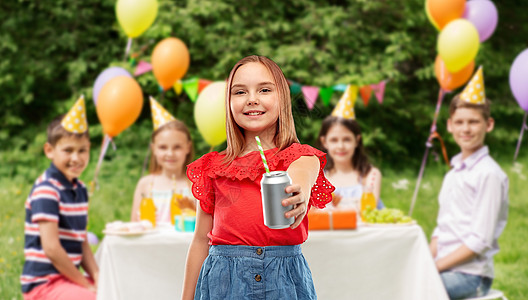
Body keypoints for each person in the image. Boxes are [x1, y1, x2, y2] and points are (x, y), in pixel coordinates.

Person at [182, 55, 335, 299]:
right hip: (224, 285)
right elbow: (201, 240)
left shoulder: (300, 157)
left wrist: (298, 192)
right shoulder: (214, 167)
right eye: (240, 92)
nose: (252, 99)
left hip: (283, 283)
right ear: (228, 102)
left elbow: (302, 174)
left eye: (264, 89)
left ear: (282, 98)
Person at [429, 67, 508, 300]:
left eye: (473, 122)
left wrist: (435, 267)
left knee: (416, 291)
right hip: (444, 267)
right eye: (460, 122)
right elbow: (441, 229)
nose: (466, 129)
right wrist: (424, 260)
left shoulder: (489, 174)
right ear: (450, 125)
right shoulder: (453, 174)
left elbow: (480, 240)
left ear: (489, 124)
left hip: (470, 275)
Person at [20, 97, 99, 300]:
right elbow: (52, 248)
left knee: (115, 290)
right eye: (68, 150)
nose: (76, 158)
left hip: (67, 279)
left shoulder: (79, 189)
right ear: (49, 150)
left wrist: (97, 277)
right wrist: (84, 285)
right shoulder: (47, 189)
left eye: (82, 150)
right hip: (43, 283)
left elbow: (81, 241)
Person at [131, 98, 196, 225]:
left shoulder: (195, 185)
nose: (170, 153)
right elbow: (134, 225)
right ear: (153, 148)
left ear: (187, 147)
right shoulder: (145, 184)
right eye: (163, 147)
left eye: (177, 147)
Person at [317, 115, 383, 210]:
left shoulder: (370, 175)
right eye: (334, 140)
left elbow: (368, 209)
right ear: (324, 142)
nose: (340, 146)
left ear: (357, 140)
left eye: (347, 139)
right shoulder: (318, 178)